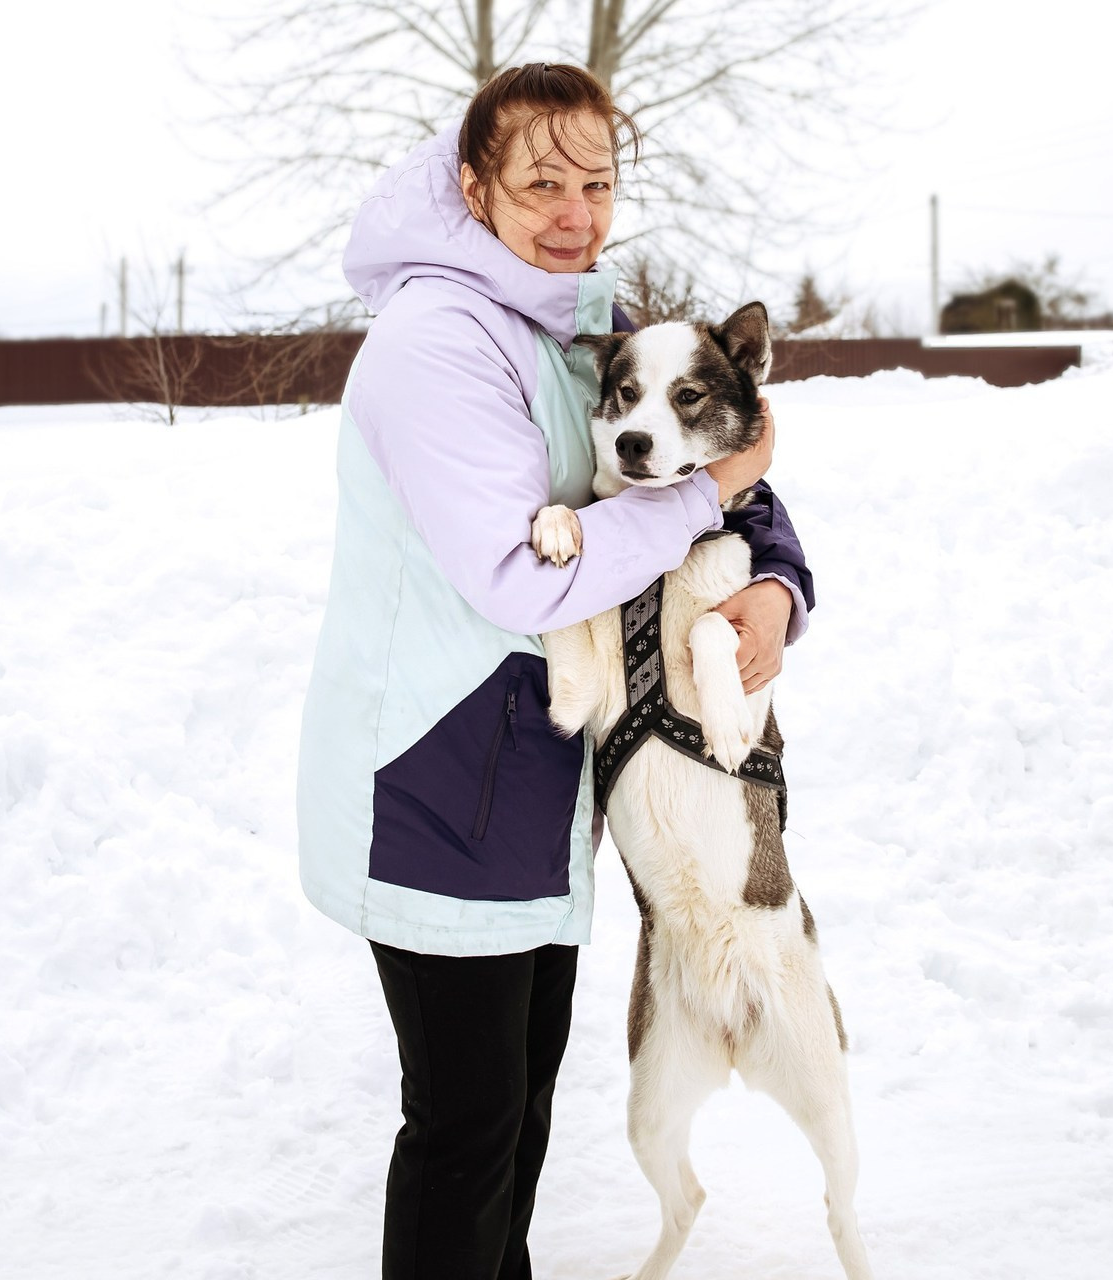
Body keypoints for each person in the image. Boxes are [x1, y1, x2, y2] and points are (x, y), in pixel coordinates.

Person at [296, 62, 815, 1280]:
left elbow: (717, 472)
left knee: (516, 1110)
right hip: (435, 783)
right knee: (466, 1129)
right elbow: (520, 578)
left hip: (539, 780)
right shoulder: (438, 342)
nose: (576, 208)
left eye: (596, 180)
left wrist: (776, 582)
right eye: (541, 181)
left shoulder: (576, 326)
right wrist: (707, 493)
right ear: (473, 185)